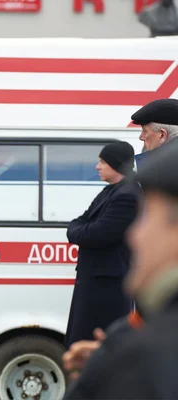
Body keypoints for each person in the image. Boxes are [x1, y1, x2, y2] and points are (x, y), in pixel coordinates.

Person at [61, 98, 178, 378]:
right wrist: (116, 347)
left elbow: (95, 230)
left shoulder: (162, 177)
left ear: (162, 134)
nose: (136, 235)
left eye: (144, 131)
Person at [64, 141, 141, 347]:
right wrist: (78, 230)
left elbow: (97, 234)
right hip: (96, 283)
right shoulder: (110, 192)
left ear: (115, 164)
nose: (97, 167)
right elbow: (80, 222)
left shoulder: (127, 196)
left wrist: (77, 232)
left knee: (99, 347)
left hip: (107, 290)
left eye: (102, 162)